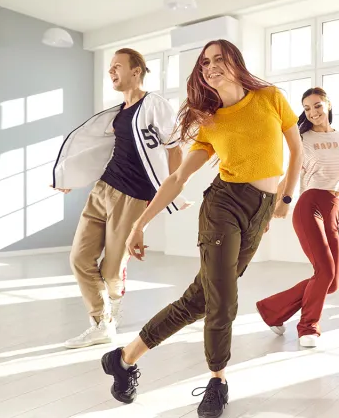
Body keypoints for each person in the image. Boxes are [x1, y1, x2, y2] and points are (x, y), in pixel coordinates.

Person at [99, 39, 302, 418]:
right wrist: (139, 225)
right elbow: (177, 178)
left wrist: (285, 199)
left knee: (199, 300)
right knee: (223, 299)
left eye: (219, 59)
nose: (210, 66)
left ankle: (122, 359)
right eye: (204, 62)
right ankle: (217, 381)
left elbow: (296, 148)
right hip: (222, 206)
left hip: (258, 211)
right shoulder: (210, 121)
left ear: (235, 62)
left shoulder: (269, 97)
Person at [52, 48, 185, 349]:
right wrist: (71, 176)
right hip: (103, 190)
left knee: (111, 272)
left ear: (136, 71)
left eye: (117, 66)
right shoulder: (118, 112)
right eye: (109, 67)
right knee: (79, 259)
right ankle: (102, 323)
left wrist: (174, 188)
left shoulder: (155, 105)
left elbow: (175, 148)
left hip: (134, 198)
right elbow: (102, 151)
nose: (111, 72)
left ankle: (112, 301)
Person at [255, 87, 339, 348]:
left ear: (328, 105)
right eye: (307, 108)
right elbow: (289, 176)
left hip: (334, 207)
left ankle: (272, 309)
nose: (313, 112)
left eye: (317, 105)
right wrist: (273, 208)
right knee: (324, 271)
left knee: (332, 282)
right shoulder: (303, 139)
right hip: (310, 205)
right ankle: (308, 327)